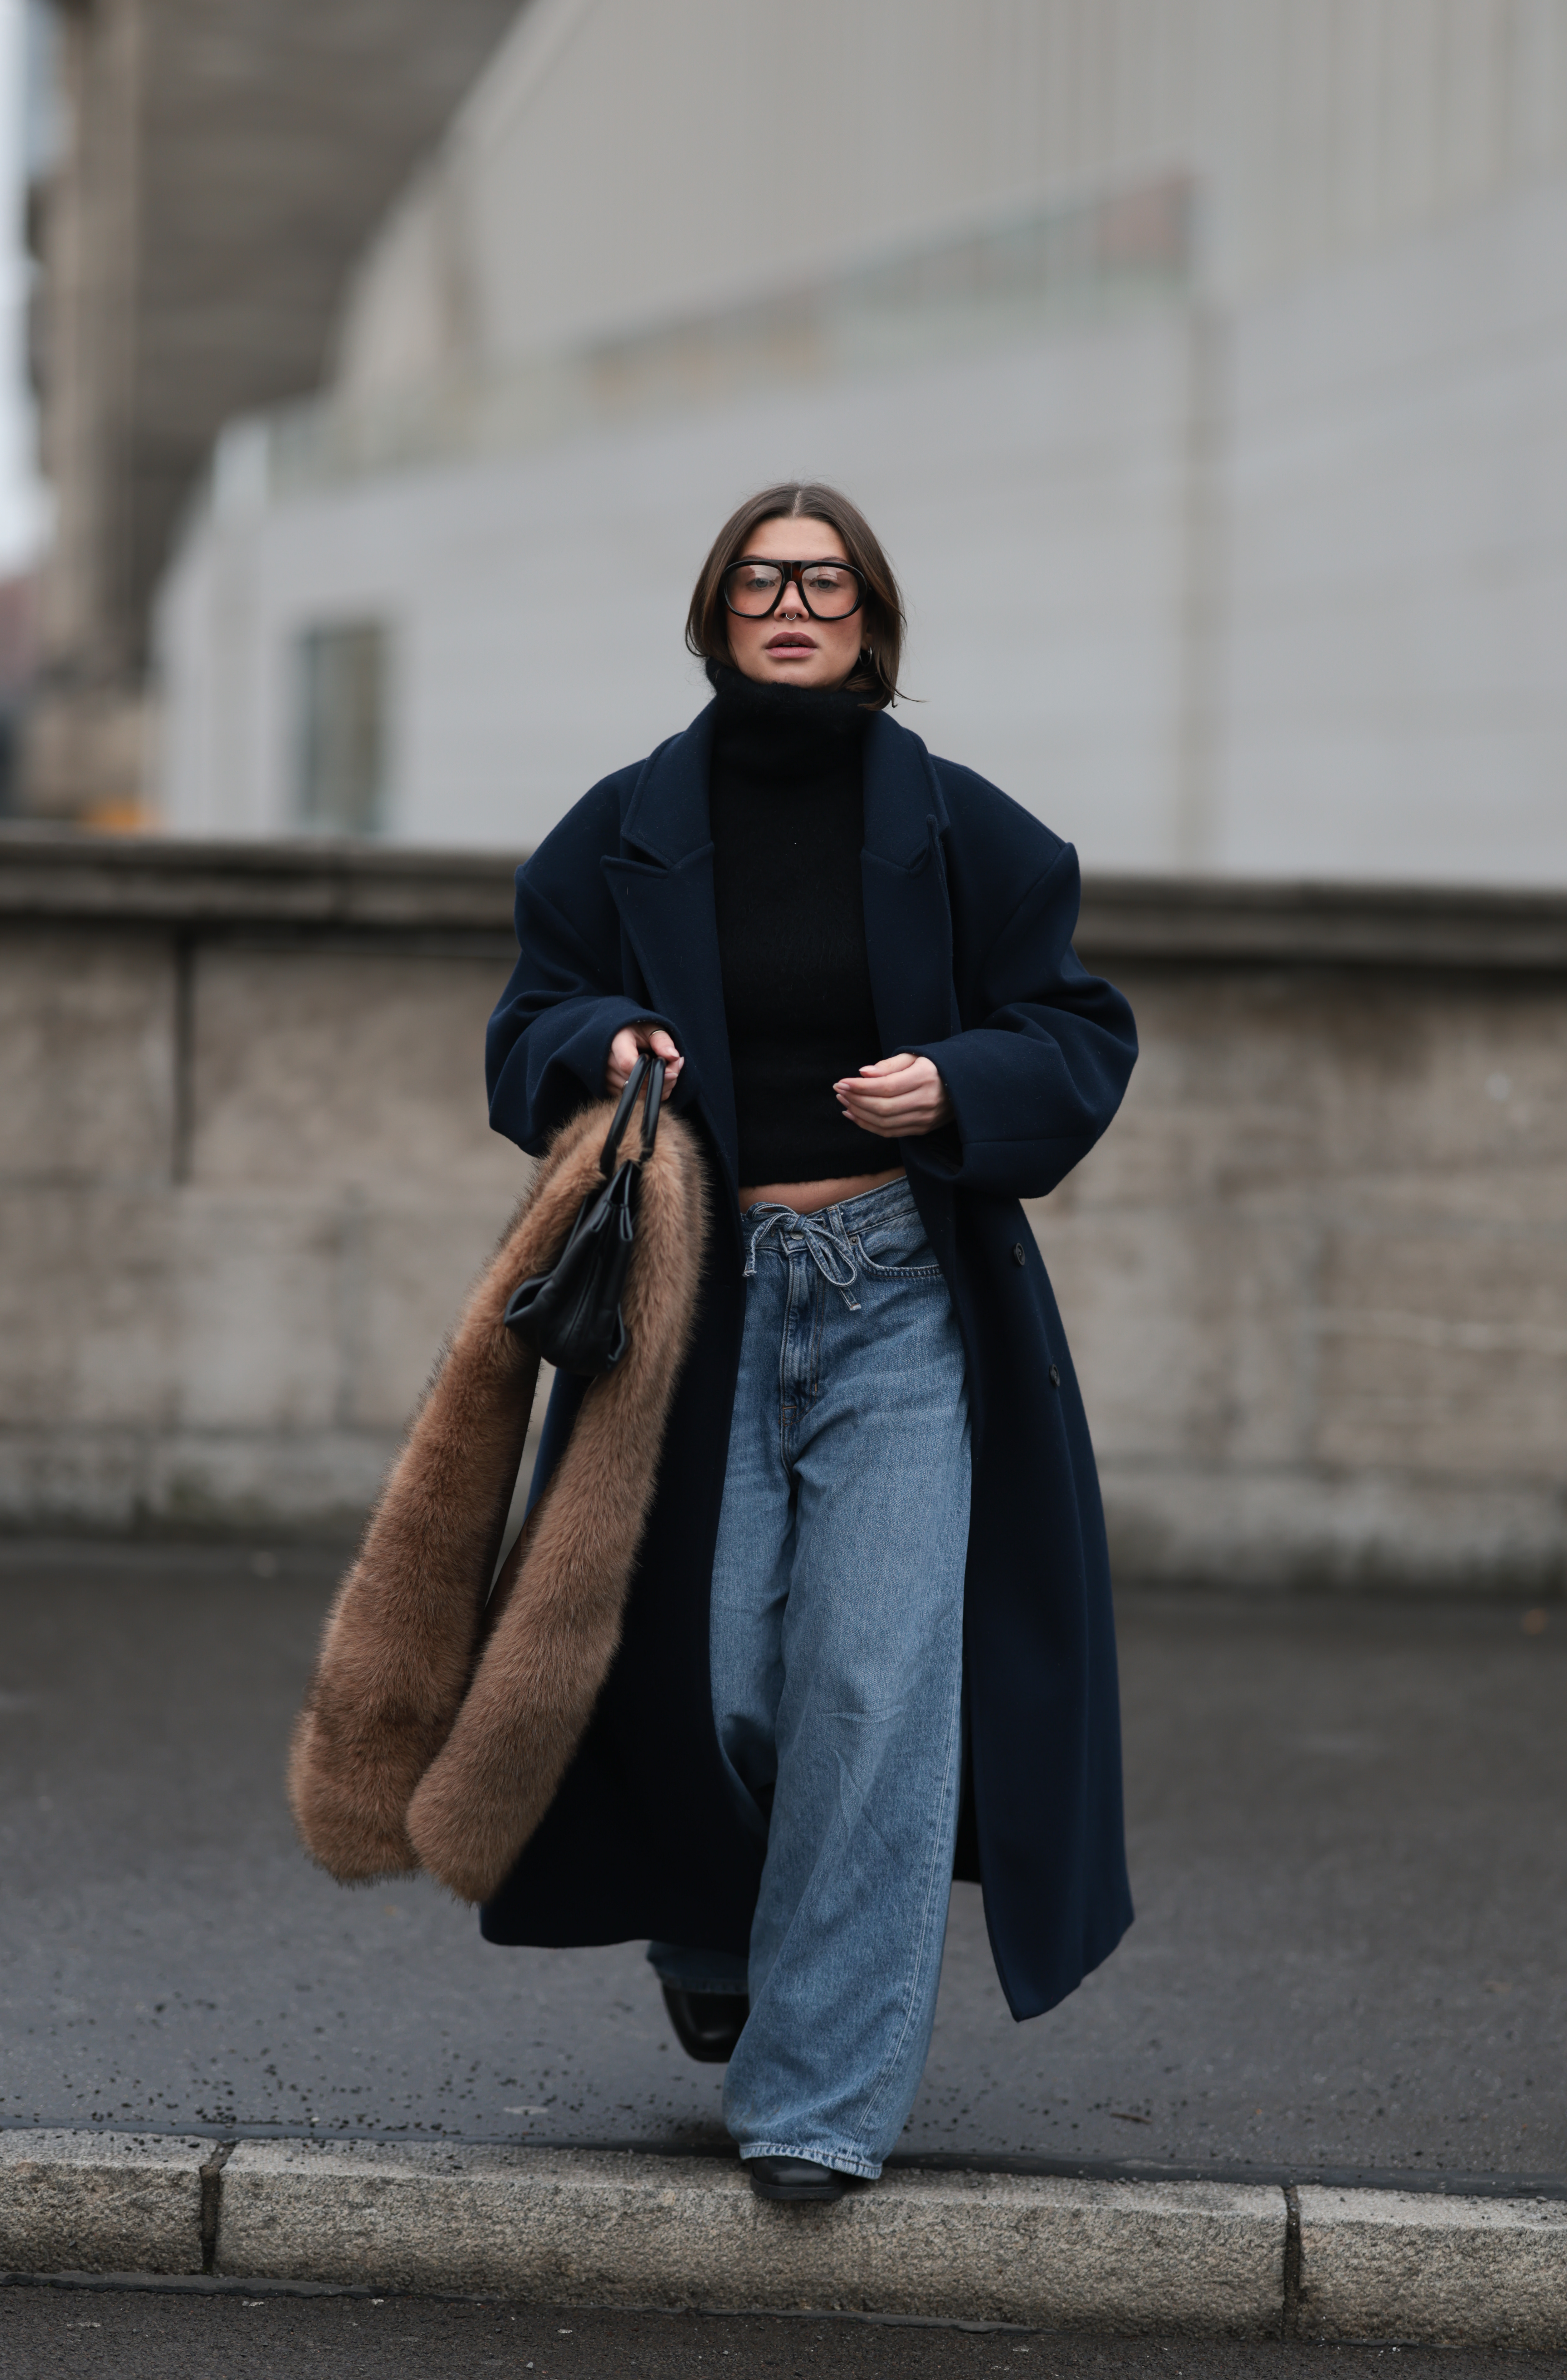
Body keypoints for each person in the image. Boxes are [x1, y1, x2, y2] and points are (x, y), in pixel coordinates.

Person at [483, 482, 1138, 2202]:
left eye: (825, 582)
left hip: (899, 1297)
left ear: (869, 620)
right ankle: (715, 1929)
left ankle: (815, 2105)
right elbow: (522, 1027)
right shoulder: (622, 825)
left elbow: (1074, 1033)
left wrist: (959, 1085)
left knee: (877, 1683)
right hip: (695, 1304)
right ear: (718, 613)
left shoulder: (965, 829)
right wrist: (600, 1041)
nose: (793, 604)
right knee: (711, 1672)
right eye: (763, 580)